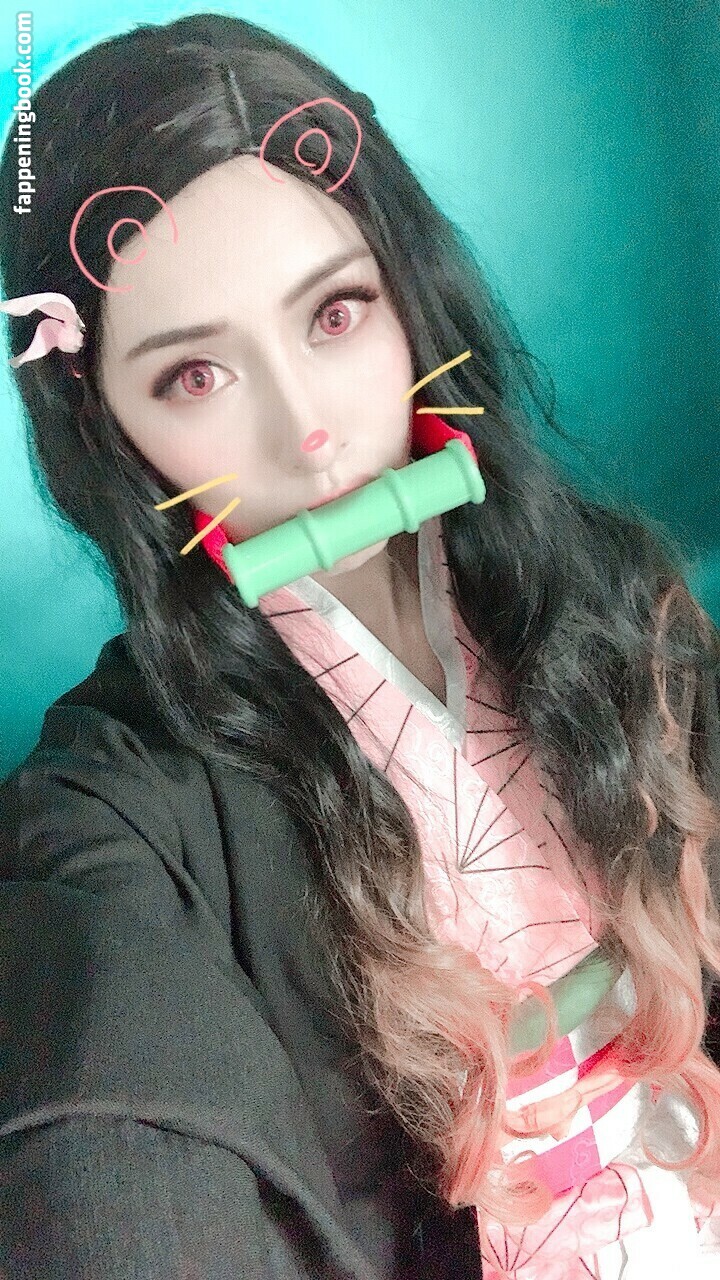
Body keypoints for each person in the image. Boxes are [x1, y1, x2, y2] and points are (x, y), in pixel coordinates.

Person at [1, 11, 720, 1279]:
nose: (308, 431)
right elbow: (107, 1148)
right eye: (194, 377)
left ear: (408, 295)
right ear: (103, 422)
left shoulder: (610, 590)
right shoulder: (113, 803)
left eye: (334, 314)